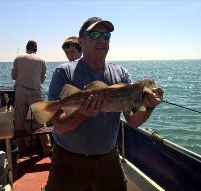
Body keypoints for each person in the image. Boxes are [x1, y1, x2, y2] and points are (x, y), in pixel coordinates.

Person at [45, 17, 164, 191]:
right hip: (68, 160)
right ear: (81, 41)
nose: (102, 40)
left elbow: (133, 121)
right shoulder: (64, 72)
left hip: (109, 158)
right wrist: (82, 113)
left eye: (106, 35)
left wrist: (150, 106)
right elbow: (60, 126)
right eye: (94, 34)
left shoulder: (122, 74)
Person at [11, 40, 46, 130]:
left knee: (19, 122)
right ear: (36, 49)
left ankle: (20, 144)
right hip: (35, 92)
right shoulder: (42, 60)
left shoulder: (18, 58)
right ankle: (46, 143)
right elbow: (42, 80)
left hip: (20, 93)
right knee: (40, 121)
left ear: (26, 47)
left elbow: (13, 77)